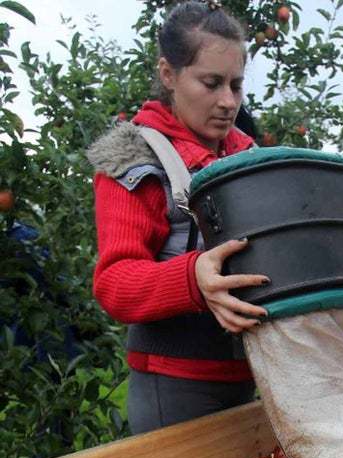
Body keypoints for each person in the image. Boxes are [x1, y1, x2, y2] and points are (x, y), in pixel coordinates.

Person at [87, 1, 269, 434]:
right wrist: (191, 279)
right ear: (168, 75)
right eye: (211, 83)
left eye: (236, 85)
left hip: (253, 375)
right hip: (175, 387)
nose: (228, 101)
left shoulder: (251, 159)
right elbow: (114, 283)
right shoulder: (134, 161)